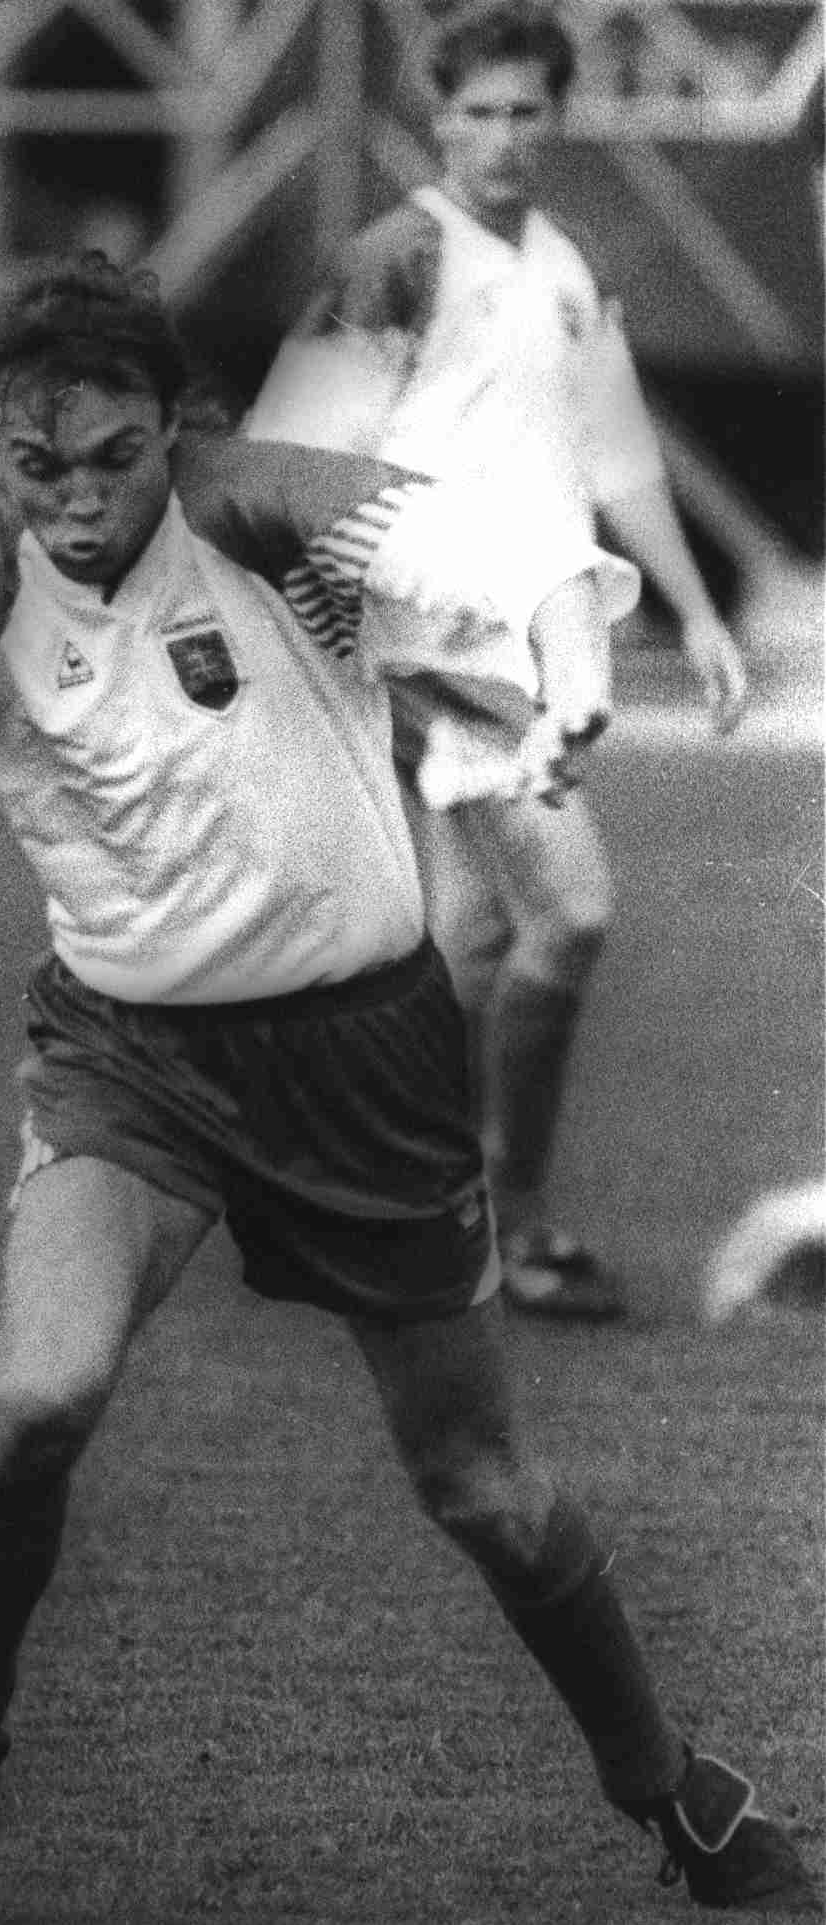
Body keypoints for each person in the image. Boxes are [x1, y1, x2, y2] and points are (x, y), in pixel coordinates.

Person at [0, 255, 815, 1913]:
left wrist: (577, 676)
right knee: (30, 1414)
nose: (79, 499)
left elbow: (520, 567)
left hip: (362, 1065)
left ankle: (672, 1789)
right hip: (129, 1066)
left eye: (116, 456)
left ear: (174, 426)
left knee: (482, 1489)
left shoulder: (265, 513)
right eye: (39, 464)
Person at [245, 0, 749, 1321]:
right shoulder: (395, 257)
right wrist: (319, 637)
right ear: (438, 119)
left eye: (528, 111)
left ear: (558, 120)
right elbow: (286, 458)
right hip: (432, 648)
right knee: (572, 911)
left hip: (538, 648)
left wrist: (697, 614)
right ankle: (509, 1224)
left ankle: (385, 1193)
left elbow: (619, 455)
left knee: (469, 937)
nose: (503, 136)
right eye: (478, 112)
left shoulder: (571, 268)